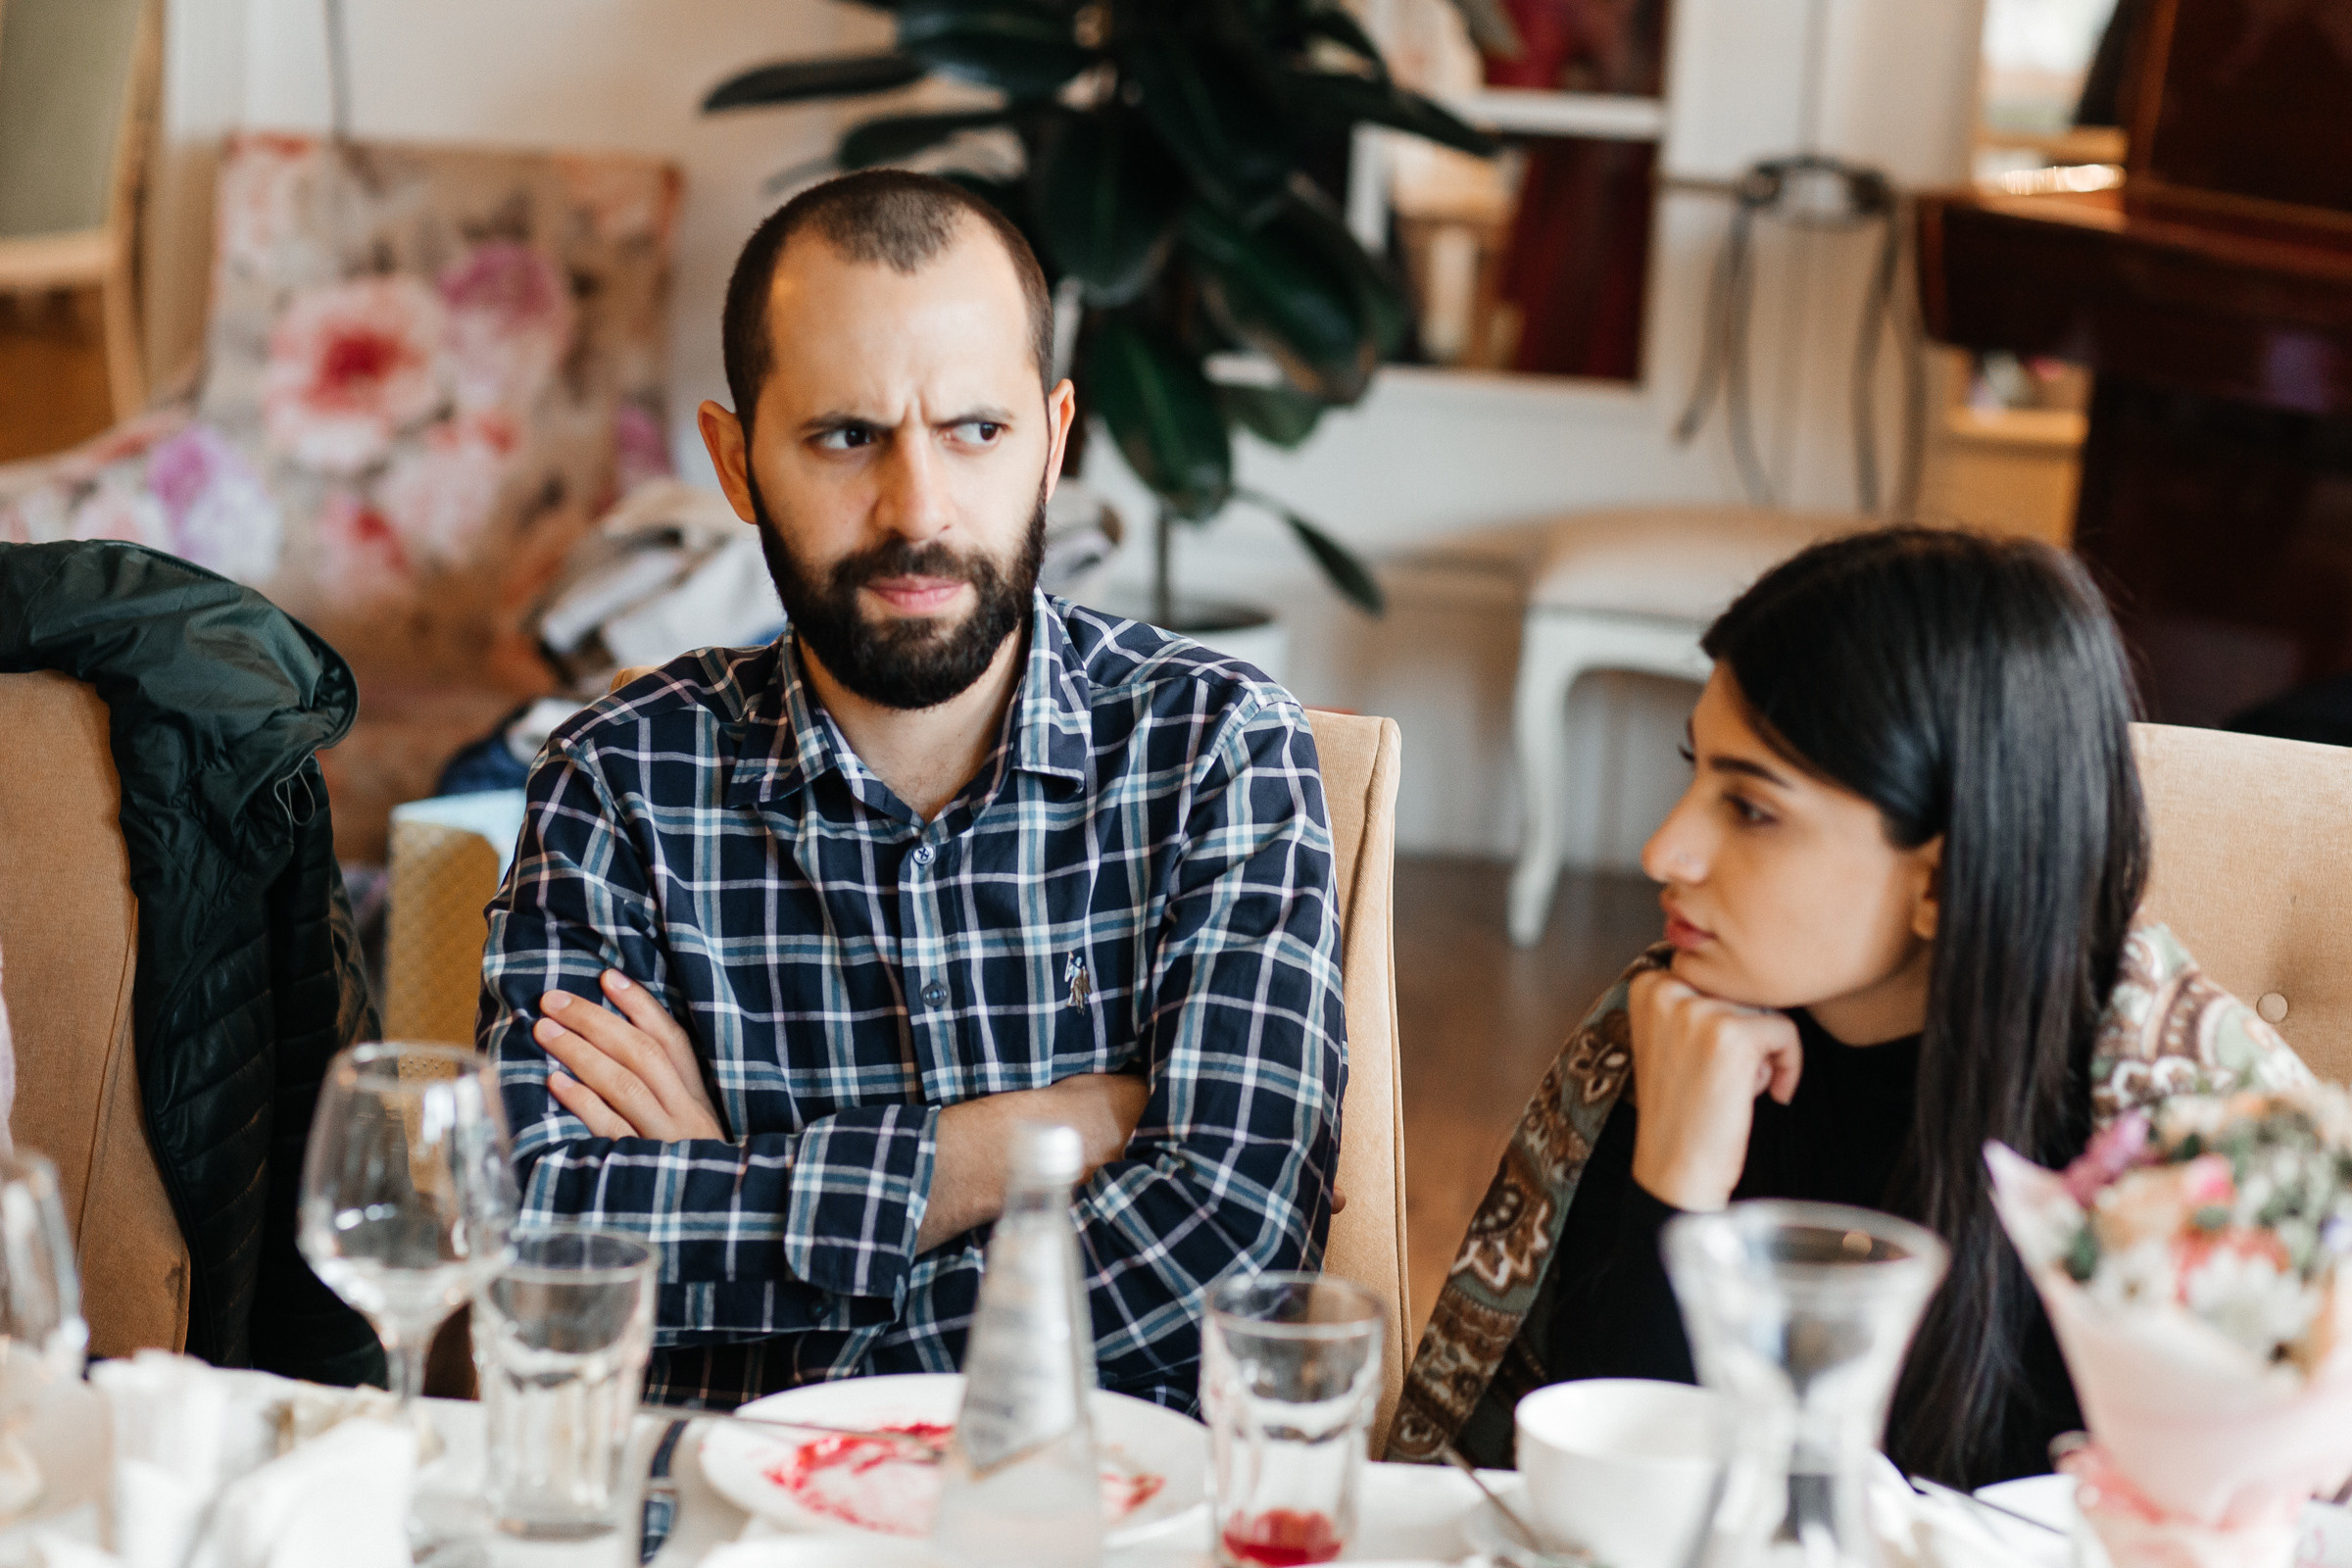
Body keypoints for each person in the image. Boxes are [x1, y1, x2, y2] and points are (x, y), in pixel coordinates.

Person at [478, 170, 1346, 1410]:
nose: (919, 510)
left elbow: (1234, 1235)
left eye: (976, 431)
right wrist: (1006, 1146)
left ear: (1052, 442)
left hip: (1110, 1501)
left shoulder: (1216, 749)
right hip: (725, 1510)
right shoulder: (617, 781)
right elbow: (537, 1241)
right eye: (847, 436)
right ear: (735, 462)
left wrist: (739, 1210)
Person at [1387, 527, 2312, 1488]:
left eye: (1752, 809)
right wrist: (1676, 1177)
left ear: (1940, 881)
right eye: (1695, 770)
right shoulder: (1676, 1031)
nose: (1664, 850)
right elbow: (1606, 1494)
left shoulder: (2176, 1160)